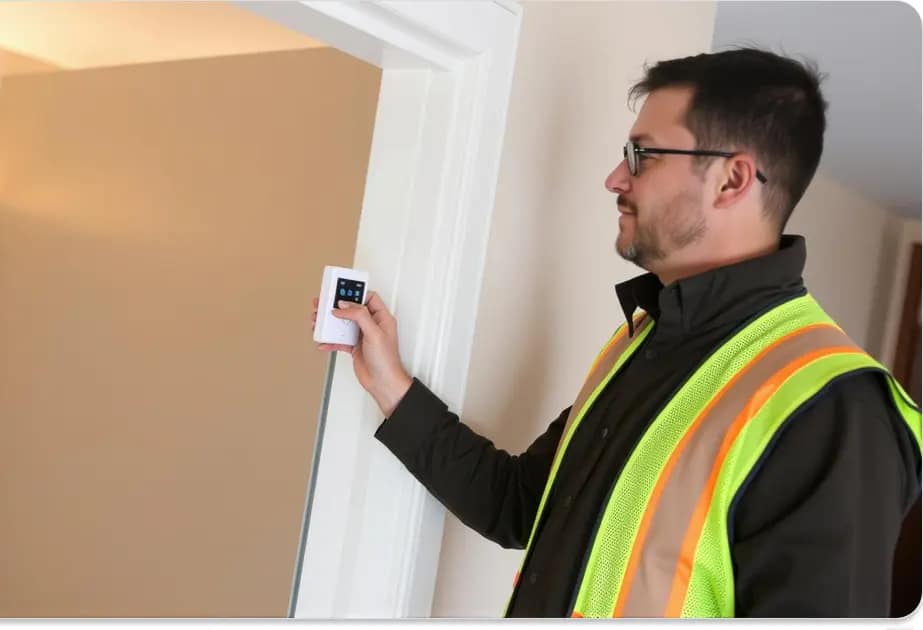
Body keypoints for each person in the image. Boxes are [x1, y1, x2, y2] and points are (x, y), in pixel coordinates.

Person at [309, 48, 921, 617]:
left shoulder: (836, 408)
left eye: (642, 155)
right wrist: (391, 384)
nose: (614, 179)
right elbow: (522, 504)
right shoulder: (641, 342)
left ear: (732, 180)